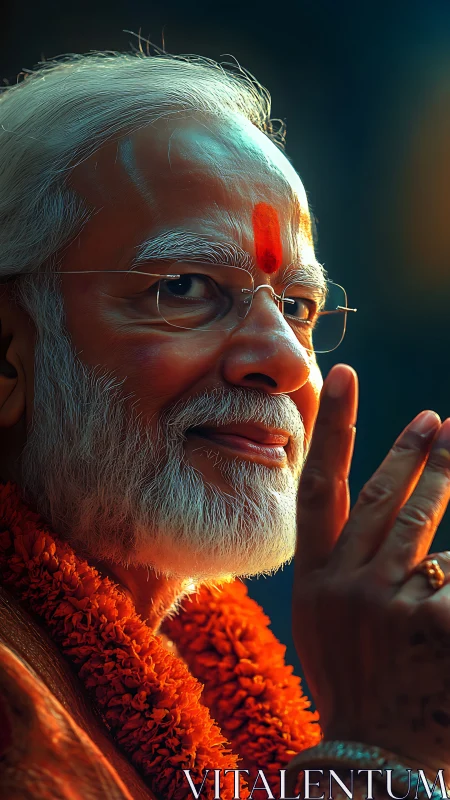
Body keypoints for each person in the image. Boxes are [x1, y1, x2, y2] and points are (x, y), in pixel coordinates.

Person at [0, 49, 449, 800]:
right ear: (8, 358)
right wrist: (377, 757)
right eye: (185, 286)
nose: (284, 360)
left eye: (300, 307)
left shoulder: (193, 654)